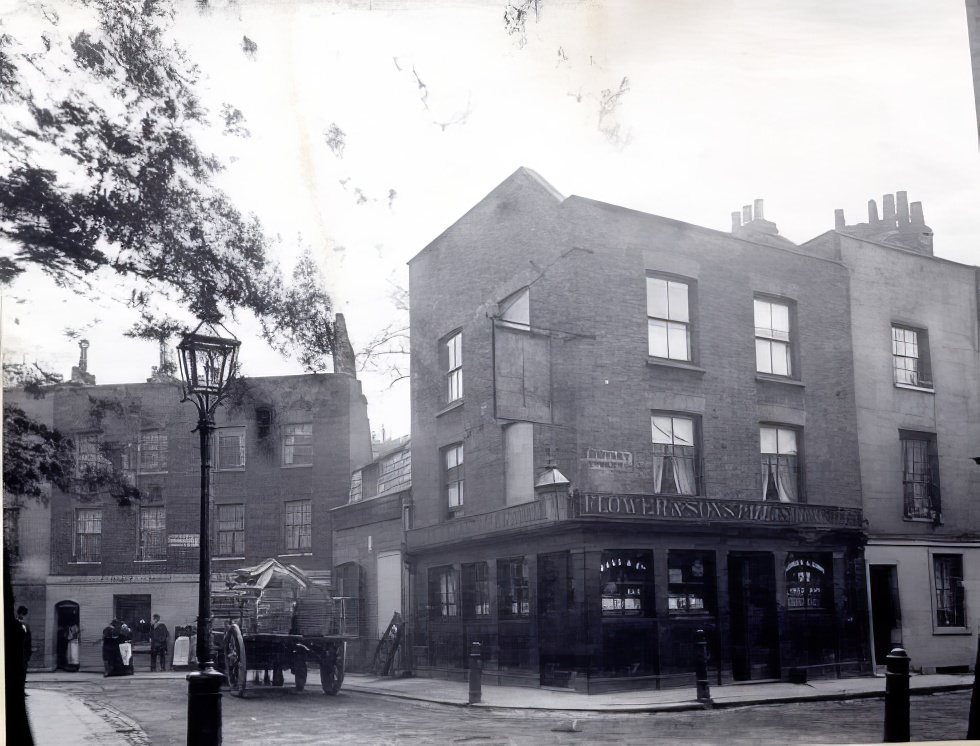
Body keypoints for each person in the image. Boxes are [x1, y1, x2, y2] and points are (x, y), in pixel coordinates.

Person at [17, 606, 31, 688]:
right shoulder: (22, 625)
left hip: (24, 651)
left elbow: (28, 639)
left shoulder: (25, 625)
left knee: (23, 669)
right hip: (20, 650)